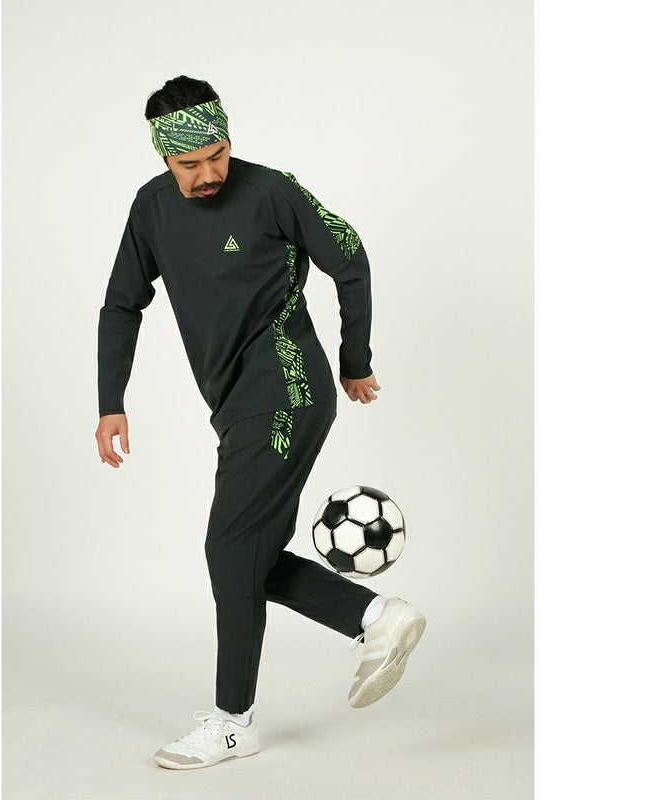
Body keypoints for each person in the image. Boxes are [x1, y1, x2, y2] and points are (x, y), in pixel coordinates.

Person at [95, 75, 426, 770]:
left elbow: (349, 256)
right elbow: (122, 303)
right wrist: (110, 400)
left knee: (228, 549)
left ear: (228, 140)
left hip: (286, 391)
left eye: (218, 154)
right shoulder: (151, 208)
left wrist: (355, 360)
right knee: (247, 558)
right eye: (190, 163)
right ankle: (376, 617)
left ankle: (232, 722)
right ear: (164, 157)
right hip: (236, 405)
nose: (208, 173)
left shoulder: (272, 190)